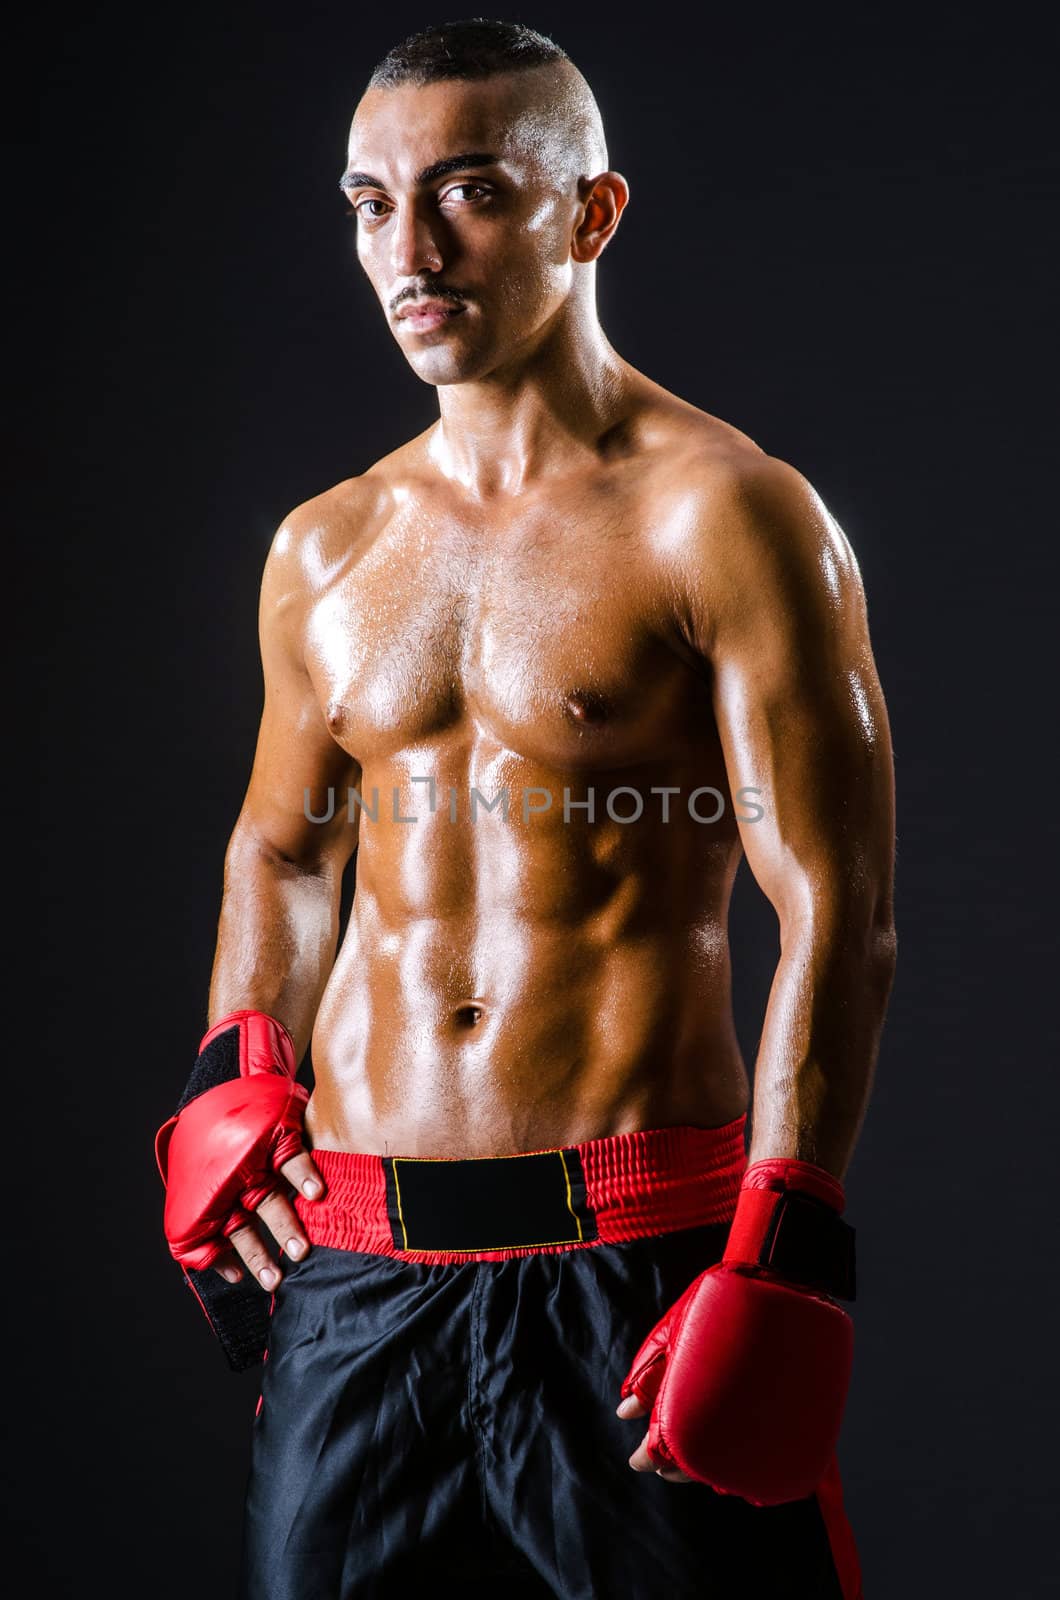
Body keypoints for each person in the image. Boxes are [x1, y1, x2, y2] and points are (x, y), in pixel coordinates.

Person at [156, 18, 896, 1599]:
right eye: (370, 203)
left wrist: (786, 1242)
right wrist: (236, 1066)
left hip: (629, 1272)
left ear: (591, 212)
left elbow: (838, 903)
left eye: (470, 191)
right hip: (361, 1273)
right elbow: (282, 849)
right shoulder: (325, 549)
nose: (410, 248)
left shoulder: (728, 514)